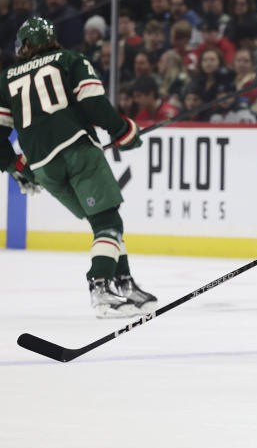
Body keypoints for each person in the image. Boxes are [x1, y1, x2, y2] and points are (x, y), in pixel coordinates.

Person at [0, 17, 156, 318]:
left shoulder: (5, 79)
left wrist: (18, 167)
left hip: (44, 168)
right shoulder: (70, 60)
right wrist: (123, 130)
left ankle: (124, 284)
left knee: (102, 222)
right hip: (78, 152)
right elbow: (94, 104)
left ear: (27, 44)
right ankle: (101, 289)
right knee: (109, 223)